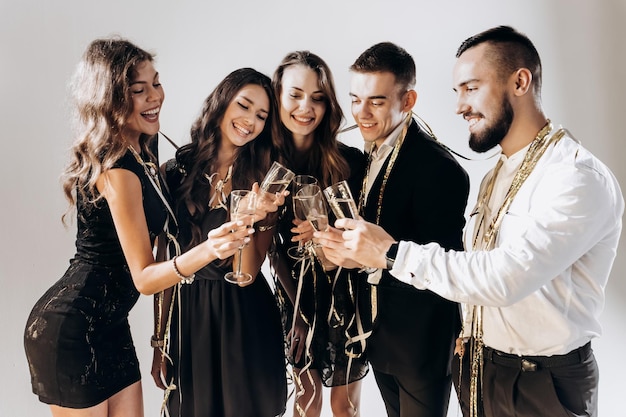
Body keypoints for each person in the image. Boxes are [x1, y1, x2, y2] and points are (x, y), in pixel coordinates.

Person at [315, 26, 624, 417]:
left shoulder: (575, 176)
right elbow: (469, 265)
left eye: (471, 88)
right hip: (480, 368)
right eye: (457, 92)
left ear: (520, 81)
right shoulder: (498, 173)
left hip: (540, 382)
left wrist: (389, 253)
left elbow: (504, 278)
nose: (460, 106)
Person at [23, 39, 267, 417]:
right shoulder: (118, 169)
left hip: (112, 326)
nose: (155, 97)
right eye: (139, 90)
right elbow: (144, 277)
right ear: (111, 101)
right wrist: (211, 248)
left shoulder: (144, 147)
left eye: (156, 83)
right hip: (71, 327)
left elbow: (170, 237)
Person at [318, 42, 470, 417]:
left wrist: (363, 260)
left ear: (408, 100)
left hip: (422, 344)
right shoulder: (368, 152)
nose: (362, 113)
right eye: (355, 99)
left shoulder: (440, 169)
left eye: (377, 101)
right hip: (379, 338)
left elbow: (445, 268)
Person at [151, 67, 288, 417]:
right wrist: (159, 341)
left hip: (245, 319)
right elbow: (164, 260)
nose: (250, 121)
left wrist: (247, 219)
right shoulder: (175, 170)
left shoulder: (265, 178)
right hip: (189, 319)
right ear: (222, 102)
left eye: (262, 115)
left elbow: (246, 274)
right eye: (243, 106)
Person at [268, 51, 367, 417]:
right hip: (294, 299)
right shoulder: (264, 164)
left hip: (346, 295)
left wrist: (330, 232)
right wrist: (298, 313)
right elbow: (269, 249)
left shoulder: (351, 162)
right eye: (295, 95)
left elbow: (366, 237)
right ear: (277, 95)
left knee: (346, 408)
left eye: (318, 98)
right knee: (305, 403)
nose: (305, 107)